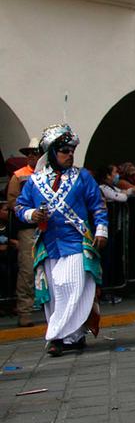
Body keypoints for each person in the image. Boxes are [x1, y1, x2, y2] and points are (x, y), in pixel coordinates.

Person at [14, 124, 108, 357]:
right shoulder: (36, 182)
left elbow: (98, 205)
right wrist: (32, 215)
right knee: (55, 294)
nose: (69, 155)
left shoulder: (83, 177)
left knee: (74, 287)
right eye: (64, 151)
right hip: (49, 244)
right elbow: (19, 207)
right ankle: (72, 338)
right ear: (52, 152)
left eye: (71, 151)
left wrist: (101, 230)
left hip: (76, 242)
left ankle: (56, 336)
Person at [6, 138, 42, 327]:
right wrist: (30, 211)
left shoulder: (46, 174)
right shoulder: (19, 176)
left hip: (46, 226)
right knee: (27, 269)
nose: (32, 157)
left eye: (35, 153)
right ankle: (25, 311)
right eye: (29, 154)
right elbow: (12, 201)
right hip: (27, 227)